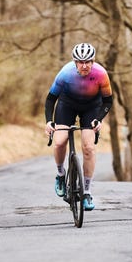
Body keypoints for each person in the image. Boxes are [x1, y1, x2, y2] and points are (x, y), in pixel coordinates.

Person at [44, 43, 113, 211]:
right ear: (74, 62)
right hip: (67, 105)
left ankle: (87, 192)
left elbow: (107, 101)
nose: (84, 65)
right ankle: (61, 175)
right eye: (80, 62)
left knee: (89, 148)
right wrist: (48, 121)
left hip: (91, 108)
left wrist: (98, 119)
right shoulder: (65, 73)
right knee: (60, 142)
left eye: (88, 61)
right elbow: (51, 99)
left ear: (93, 61)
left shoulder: (101, 74)